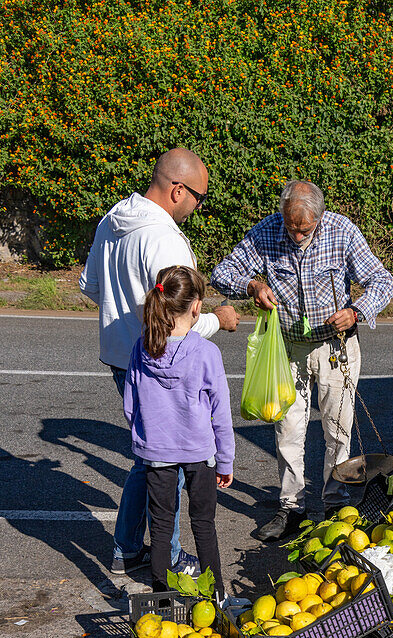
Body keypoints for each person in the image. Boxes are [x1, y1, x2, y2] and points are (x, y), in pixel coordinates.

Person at [79, 148, 238, 573]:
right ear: (177, 190)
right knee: (172, 459)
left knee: (149, 456)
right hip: (166, 359)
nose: (197, 209)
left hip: (123, 354)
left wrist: (127, 314)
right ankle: (165, 556)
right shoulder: (164, 238)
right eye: (199, 199)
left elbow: (89, 285)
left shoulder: (113, 220)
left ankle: (127, 547)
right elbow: (182, 318)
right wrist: (218, 320)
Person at [211, 179, 393, 541]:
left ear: (321, 218)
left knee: (338, 430)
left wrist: (356, 311)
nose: (297, 236)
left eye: (305, 230)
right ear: (282, 216)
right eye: (292, 228)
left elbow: (382, 281)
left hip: (335, 346)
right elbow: (222, 273)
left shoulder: (342, 232)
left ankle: (334, 504)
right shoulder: (267, 231)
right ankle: (291, 507)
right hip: (288, 349)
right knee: (288, 430)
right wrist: (253, 286)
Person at [123, 265, 233, 595]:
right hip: (200, 453)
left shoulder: (142, 349)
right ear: (196, 307)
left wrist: (145, 438)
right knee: (204, 525)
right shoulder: (206, 353)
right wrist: (225, 461)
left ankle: (161, 595)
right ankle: (217, 595)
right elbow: (221, 415)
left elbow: (131, 404)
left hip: (156, 454)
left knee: (160, 527)